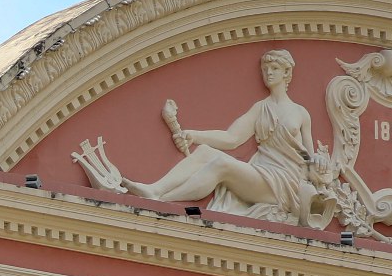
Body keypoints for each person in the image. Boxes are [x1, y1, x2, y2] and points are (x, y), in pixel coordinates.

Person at [79, 49, 332, 226]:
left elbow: (307, 157)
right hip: (263, 174)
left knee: (220, 165)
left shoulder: (300, 113)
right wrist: (194, 136)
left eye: (275, 69)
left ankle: (162, 199)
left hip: (284, 184)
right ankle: (154, 189)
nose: (269, 73)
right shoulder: (260, 108)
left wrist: (319, 162)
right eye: (266, 69)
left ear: (287, 74)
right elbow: (232, 138)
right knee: (206, 153)